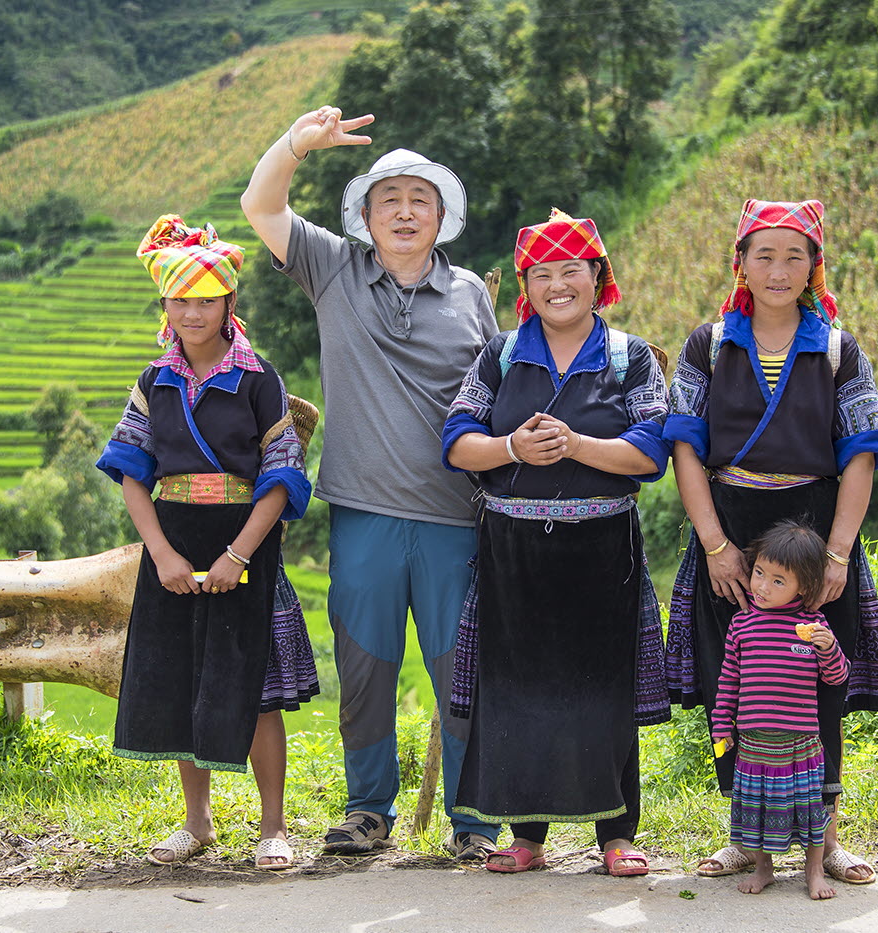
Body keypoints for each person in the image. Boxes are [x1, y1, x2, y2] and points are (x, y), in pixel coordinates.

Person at [241, 107, 501, 858]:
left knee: (461, 672)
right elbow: (261, 206)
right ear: (365, 215)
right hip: (363, 514)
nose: (406, 212)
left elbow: (497, 394)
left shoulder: (471, 294)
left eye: (420, 200)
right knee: (364, 670)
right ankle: (367, 810)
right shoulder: (334, 270)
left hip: (457, 517)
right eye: (390, 200)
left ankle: (474, 821)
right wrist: (296, 144)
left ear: (441, 216)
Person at [663, 198, 878, 885]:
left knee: (818, 680)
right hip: (731, 528)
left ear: (813, 267)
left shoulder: (838, 349)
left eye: (794, 256)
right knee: (735, 679)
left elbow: (861, 452)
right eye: (763, 254)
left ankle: (827, 838)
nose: (778, 269)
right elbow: (685, 445)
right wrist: (715, 544)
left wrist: (838, 553)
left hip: (814, 530)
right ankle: (746, 839)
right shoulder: (709, 345)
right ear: (739, 263)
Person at [442, 209, 671, 877]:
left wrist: (576, 445)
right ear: (526, 286)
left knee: (604, 689)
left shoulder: (628, 357)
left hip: (603, 547)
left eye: (572, 270)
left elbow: (652, 450)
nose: (558, 285)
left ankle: (616, 835)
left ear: (599, 278)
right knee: (518, 689)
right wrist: (512, 446)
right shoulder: (502, 355)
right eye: (542, 273)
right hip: (512, 548)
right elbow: (457, 440)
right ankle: (527, 837)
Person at [95, 214, 318, 869]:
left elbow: (282, 476)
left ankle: (273, 827)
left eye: (206, 300)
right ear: (165, 306)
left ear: (229, 303)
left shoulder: (259, 380)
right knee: (185, 680)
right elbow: (132, 474)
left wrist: (238, 554)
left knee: (256, 689)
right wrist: (161, 554)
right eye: (180, 300)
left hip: (244, 541)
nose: (193, 313)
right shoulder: (153, 382)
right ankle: (197, 821)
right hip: (174, 543)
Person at [710, 519, 849, 900]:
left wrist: (828, 648)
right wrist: (721, 725)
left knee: (810, 810)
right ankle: (763, 869)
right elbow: (728, 681)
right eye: (759, 573)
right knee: (756, 809)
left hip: (801, 743)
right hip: (754, 743)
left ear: (803, 587)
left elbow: (837, 677)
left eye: (777, 581)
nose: (761, 586)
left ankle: (814, 871)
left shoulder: (813, 625)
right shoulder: (742, 625)